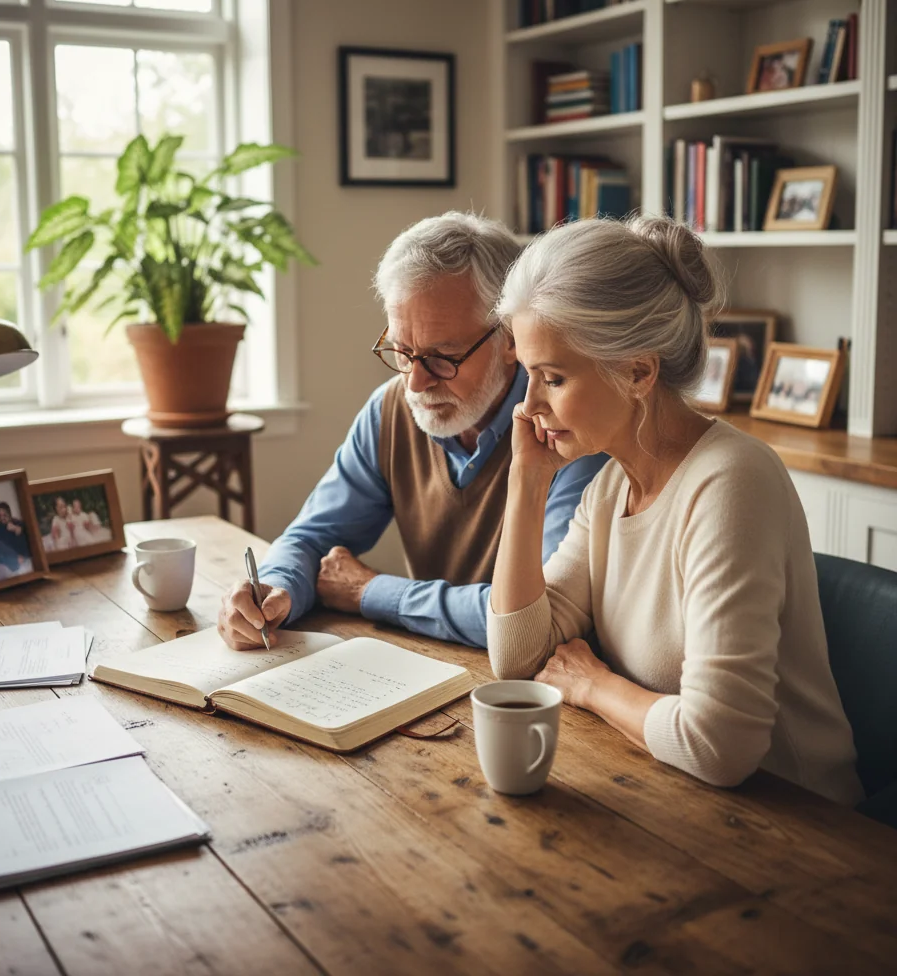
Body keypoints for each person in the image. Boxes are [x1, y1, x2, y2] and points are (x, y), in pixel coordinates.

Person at [485, 215, 862, 804]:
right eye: (527, 378)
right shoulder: (609, 488)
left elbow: (722, 745)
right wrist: (526, 484)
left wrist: (593, 686)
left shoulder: (733, 482)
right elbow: (518, 659)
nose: (528, 406)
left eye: (552, 378)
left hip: (799, 822)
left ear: (638, 371)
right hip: (676, 790)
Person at [217, 212, 608, 651]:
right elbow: (311, 538)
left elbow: (539, 617)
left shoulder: (568, 427)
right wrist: (273, 590)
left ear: (510, 340)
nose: (415, 383)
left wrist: (371, 592)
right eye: (402, 351)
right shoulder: (391, 410)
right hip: (431, 667)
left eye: (444, 357)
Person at [0, 500, 32, 577]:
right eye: (0, 516)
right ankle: (17, 561)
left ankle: (20, 560)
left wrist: (16, 529)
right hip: (10, 557)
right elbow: (0, 546)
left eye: (4, 515)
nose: (2, 518)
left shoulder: (17, 523)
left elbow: (25, 537)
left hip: (21, 554)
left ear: (9, 514)